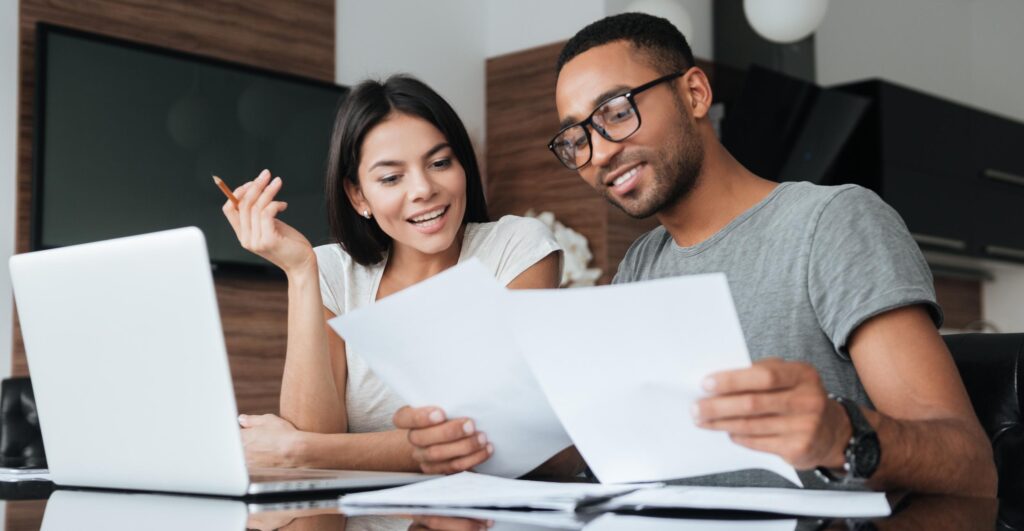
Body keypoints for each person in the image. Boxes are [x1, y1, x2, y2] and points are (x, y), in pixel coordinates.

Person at [398, 14, 996, 496]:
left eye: (616, 112)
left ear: (694, 92)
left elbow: (969, 465)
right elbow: (613, 456)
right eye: (577, 138)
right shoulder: (640, 263)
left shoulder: (832, 222)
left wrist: (842, 433)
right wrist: (477, 442)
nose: (599, 152)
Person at [221, 75, 568, 474]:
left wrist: (300, 450)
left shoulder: (516, 248)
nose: (423, 189)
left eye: (440, 163)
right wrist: (300, 273)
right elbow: (313, 440)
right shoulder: (333, 270)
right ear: (357, 195)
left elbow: (496, 437)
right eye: (391, 177)